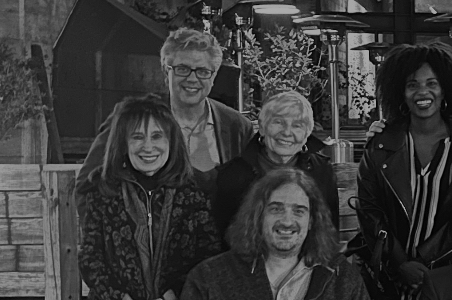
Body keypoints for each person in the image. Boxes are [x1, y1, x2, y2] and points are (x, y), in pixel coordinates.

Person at [356, 43, 452, 296]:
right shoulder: (381, 145)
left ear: (445, 89)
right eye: (412, 84)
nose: (422, 92)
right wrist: (401, 263)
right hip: (388, 277)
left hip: (449, 274)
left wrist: (424, 263)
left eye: (432, 83)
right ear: (400, 92)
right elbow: (369, 210)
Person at [76, 95, 221, 300]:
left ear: (171, 140)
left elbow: (208, 254)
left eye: (156, 136)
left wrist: (175, 294)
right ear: (123, 143)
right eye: (137, 137)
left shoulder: (194, 192)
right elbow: (91, 258)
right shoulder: (103, 190)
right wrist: (119, 297)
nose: (148, 147)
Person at [78, 28, 254, 182]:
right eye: (182, 69)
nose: (192, 79)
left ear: (213, 77)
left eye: (202, 71)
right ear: (165, 72)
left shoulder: (237, 126)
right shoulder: (131, 117)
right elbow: (87, 183)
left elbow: (253, 191)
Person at [181, 168, 368, 300]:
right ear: (258, 216)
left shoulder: (342, 278)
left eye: (299, 211)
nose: (287, 221)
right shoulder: (209, 278)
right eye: (276, 209)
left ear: (312, 221)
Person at [215, 91, 339, 247]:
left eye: (297, 125)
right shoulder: (233, 175)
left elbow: (329, 234)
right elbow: (223, 240)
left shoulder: (321, 171)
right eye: (278, 122)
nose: (287, 132)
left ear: (307, 134)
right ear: (262, 127)